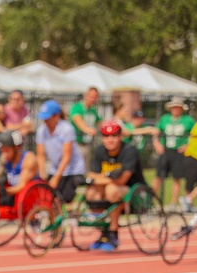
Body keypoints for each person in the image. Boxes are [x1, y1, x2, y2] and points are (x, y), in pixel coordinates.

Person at [86, 118, 146, 251]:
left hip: (134, 193)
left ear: (120, 136)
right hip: (111, 188)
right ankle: (103, 232)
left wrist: (101, 179)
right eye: (106, 136)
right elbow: (92, 175)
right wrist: (106, 177)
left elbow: (122, 180)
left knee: (111, 189)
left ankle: (114, 233)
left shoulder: (129, 150)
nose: (110, 140)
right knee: (91, 193)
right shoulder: (100, 151)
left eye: (114, 136)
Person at [35, 99, 86, 204]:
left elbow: (67, 156)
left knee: (62, 198)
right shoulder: (41, 130)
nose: (45, 121)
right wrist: (42, 174)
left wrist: (56, 178)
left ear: (57, 116)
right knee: (45, 195)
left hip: (73, 170)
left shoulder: (66, 129)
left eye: (47, 118)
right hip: (56, 169)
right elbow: (40, 155)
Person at [152, 97, 196, 210]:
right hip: (165, 150)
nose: (175, 109)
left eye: (178, 107)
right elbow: (156, 132)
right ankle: (150, 201)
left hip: (179, 152)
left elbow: (196, 135)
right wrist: (156, 144)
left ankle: (173, 203)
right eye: (174, 107)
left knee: (177, 178)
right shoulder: (164, 119)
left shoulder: (188, 120)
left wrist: (188, 146)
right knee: (158, 176)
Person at [0, 130, 38, 207]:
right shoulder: (5, 160)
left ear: (16, 147)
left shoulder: (28, 159)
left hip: (31, 198)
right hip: (14, 196)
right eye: (2, 151)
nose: (4, 154)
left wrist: (4, 191)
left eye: (7, 150)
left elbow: (22, 186)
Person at [69, 87, 100, 167]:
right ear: (86, 96)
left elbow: (100, 122)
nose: (93, 99)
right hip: (76, 143)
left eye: (95, 97)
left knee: (85, 168)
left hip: (87, 144)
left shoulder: (93, 110)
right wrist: (87, 129)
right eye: (91, 96)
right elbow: (77, 119)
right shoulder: (77, 107)